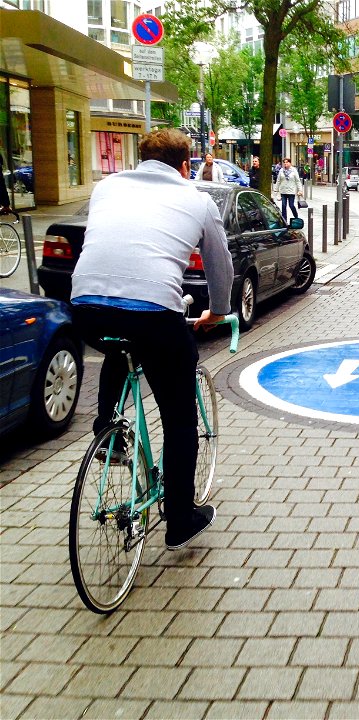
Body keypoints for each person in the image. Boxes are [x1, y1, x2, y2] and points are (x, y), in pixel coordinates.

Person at [70, 128, 233, 551]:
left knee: (119, 342)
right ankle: (180, 519)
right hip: (155, 313)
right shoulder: (196, 198)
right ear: (186, 166)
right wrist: (216, 311)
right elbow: (221, 266)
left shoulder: (107, 187)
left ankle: (107, 429)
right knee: (180, 420)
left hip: (86, 306)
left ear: (140, 159)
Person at [273, 157, 303, 221]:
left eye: (287, 162)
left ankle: (296, 217)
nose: (285, 164)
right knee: (283, 206)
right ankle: (285, 221)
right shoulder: (281, 170)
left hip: (291, 191)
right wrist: (275, 190)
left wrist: (300, 190)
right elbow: (278, 181)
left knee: (291, 205)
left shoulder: (294, 170)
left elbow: (297, 181)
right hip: (283, 191)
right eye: (284, 162)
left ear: (290, 163)